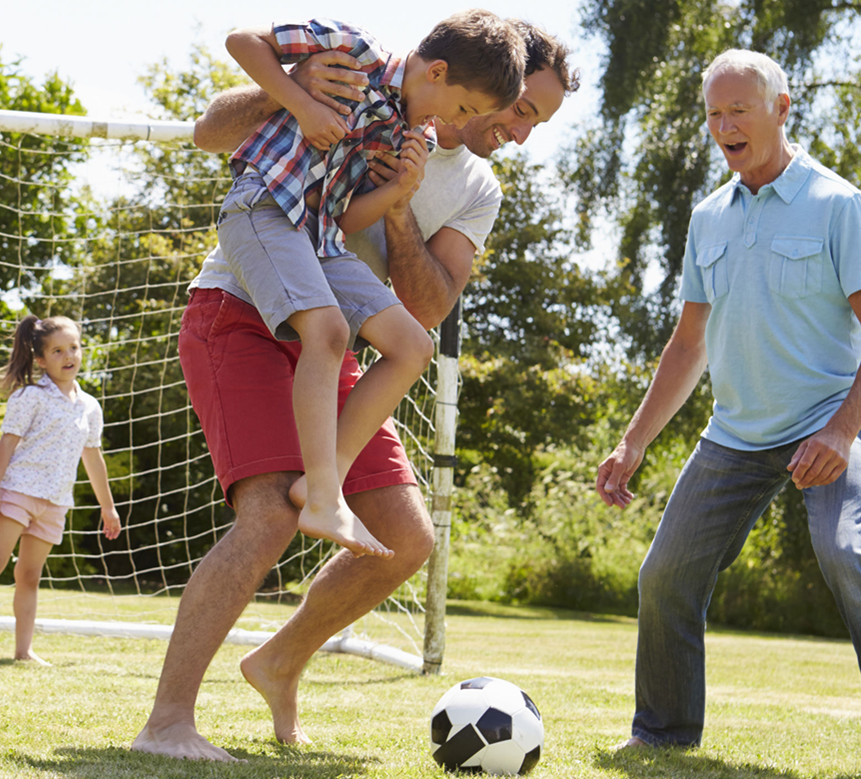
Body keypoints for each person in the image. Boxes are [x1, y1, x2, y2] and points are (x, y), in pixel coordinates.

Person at [131, 21, 578, 761]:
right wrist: (295, 92)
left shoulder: (465, 178)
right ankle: (168, 719)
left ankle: (277, 660)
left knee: (404, 540)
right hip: (242, 315)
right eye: (522, 110)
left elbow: (426, 308)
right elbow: (214, 132)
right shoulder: (373, 81)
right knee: (269, 514)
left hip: (334, 337)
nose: (519, 132)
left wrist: (401, 204)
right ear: (478, 80)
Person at [596, 49, 861, 749]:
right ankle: (662, 733)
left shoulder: (838, 205)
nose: (724, 125)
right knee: (665, 575)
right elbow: (689, 345)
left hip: (829, 419)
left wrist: (843, 431)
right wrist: (633, 441)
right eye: (714, 114)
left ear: (781, 109)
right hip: (736, 432)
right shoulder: (709, 218)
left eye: (738, 110)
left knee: (849, 553)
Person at [216, 12, 525, 559]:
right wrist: (301, 102)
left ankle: (319, 482)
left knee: (412, 347)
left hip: (320, 236)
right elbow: (242, 41)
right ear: (438, 72)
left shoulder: (412, 135)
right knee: (330, 331)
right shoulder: (355, 50)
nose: (459, 122)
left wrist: (401, 191)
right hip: (263, 206)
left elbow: (349, 219)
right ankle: (325, 498)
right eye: (464, 108)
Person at [0, 315, 121, 665]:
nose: (68, 356)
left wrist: (108, 507)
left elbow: (93, 458)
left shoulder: (90, 407)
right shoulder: (30, 396)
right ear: (41, 359)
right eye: (57, 351)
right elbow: (7, 445)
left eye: (74, 347)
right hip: (18, 491)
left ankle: (23, 652)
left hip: (55, 501)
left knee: (29, 575)